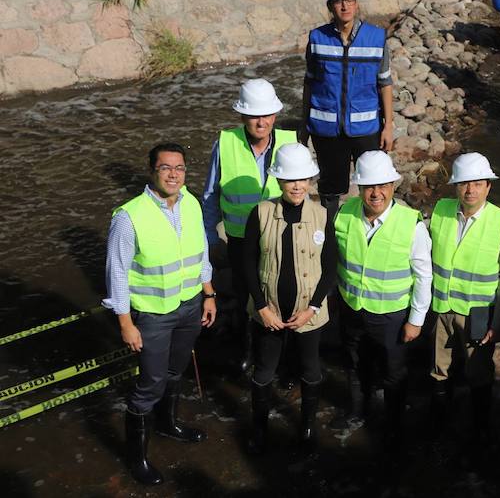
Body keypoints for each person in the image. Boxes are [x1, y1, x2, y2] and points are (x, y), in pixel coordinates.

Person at [104, 143, 217, 485]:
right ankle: (135, 457)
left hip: (190, 306)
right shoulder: (129, 216)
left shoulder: (193, 203)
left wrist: (208, 294)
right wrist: (125, 323)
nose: (173, 174)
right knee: (148, 385)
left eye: (179, 168)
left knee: (174, 372)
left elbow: (201, 253)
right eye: (166, 168)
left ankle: (168, 425)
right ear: (152, 171)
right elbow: (117, 273)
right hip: (152, 315)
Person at [333, 150, 432, 451]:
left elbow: (424, 276)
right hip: (352, 308)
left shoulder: (411, 224)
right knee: (354, 365)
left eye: (382, 186)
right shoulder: (344, 214)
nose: (376, 193)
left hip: (391, 315)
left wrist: (416, 320)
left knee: (393, 373)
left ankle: (393, 425)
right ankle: (358, 411)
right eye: (369, 187)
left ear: (392, 186)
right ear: (360, 188)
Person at [241, 143, 337, 454]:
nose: (296, 185)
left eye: (302, 179)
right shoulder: (261, 212)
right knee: (264, 371)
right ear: (279, 181)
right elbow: (247, 262)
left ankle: (307, 425)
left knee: (311, 369)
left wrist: (312, 308)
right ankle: (259, 427)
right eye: (289, 179)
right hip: (268, 313)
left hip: (308, 315)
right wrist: (261, 306)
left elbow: (331, 267)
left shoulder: (323, 216)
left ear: (310, 181)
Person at [201, 78, 296, 373]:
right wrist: (208, 240)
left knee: (282, 294)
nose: (262, 121)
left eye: (267, 114)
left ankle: (284, 357)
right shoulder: (226, 144)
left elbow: (301, 193)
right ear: (242, 115)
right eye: (255, 114)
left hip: (279, 236)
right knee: (246, 296)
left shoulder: (290, 145)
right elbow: (210, 195)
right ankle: (248, 348)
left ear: (275, 115)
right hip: (240, 239)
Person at [428, 153, 500, 444]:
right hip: (441, 306)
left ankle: (479, 428)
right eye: (465, 183)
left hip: (478, 313)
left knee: (478, 371)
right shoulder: (441, 210)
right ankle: (440, 421)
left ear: (488, 187)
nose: (471, 190)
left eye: (478, 184)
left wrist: (498, 321)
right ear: (455, 186)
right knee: (439, 368)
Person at [299, 0, 394, 219]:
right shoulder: (317, 38)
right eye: (339, 1)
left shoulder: (376, 38)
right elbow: (309, 82)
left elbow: (385, 82)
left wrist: (389, 126)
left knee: (372, 182)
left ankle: (368, 227)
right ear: (330, 5)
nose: (345, 6)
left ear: (356, 1)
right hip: (326, 131)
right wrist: (304, 123)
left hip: (367, 130)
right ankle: (331, 232)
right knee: (331, 189)